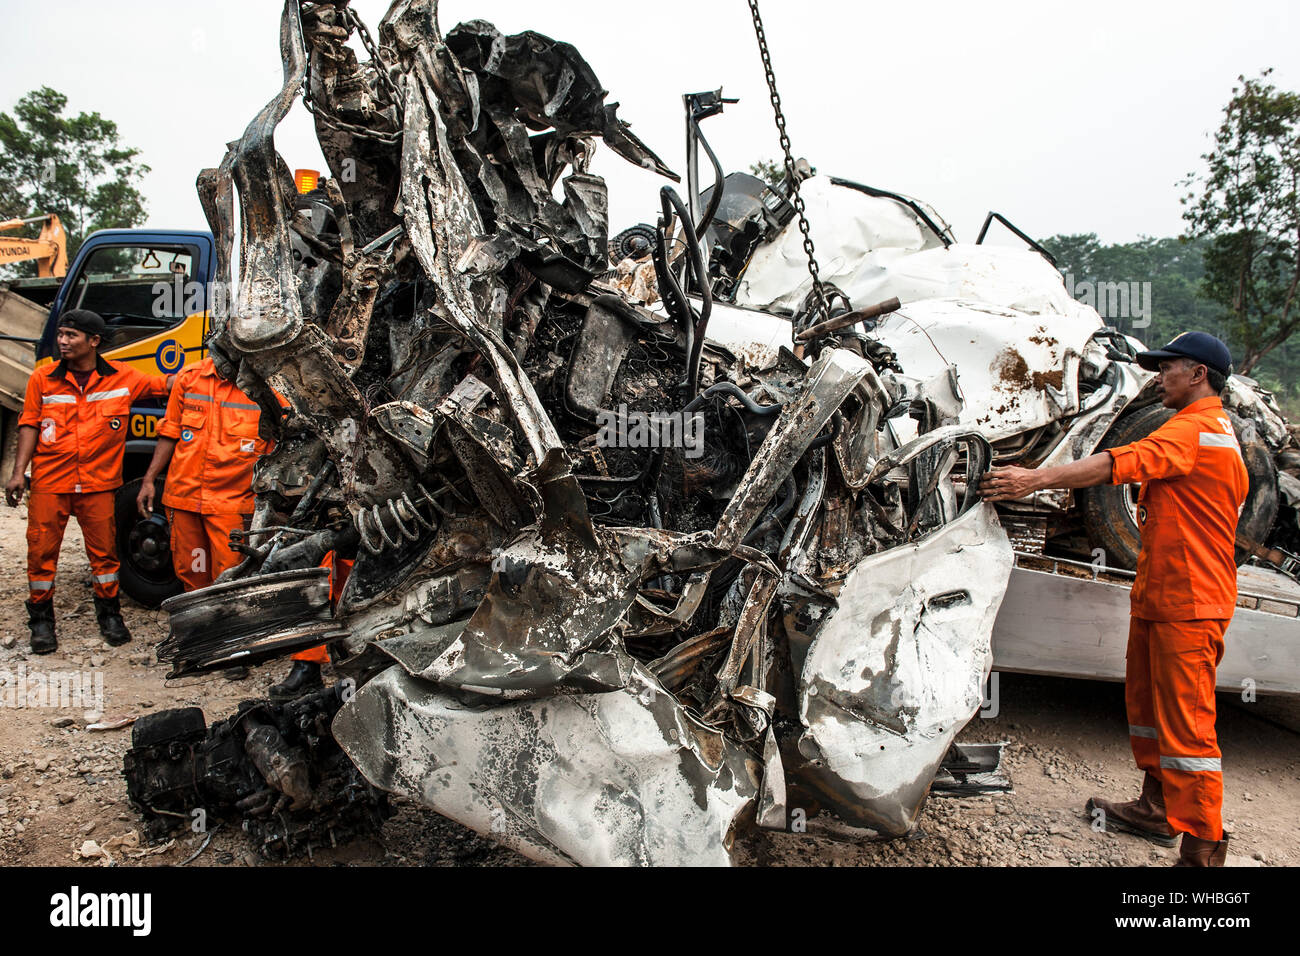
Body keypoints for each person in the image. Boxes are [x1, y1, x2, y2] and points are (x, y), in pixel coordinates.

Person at [981, 331, 1248, 867]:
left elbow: (1116, 464)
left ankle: (1203, 852)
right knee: (1150, 712)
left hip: (1190, 603)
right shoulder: (1205, 429)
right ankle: (1156, 810)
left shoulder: (1195, 429)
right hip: (1164, 594)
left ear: (1197, 374)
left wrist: (1036, 478)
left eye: (1166, 367)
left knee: (1187, 728)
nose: (1158, 377)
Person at [5, 309, 174, 653]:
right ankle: (41, 620)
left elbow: (170, 384)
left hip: (98, 485)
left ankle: (109, 615)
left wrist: (213, 365)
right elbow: (29, 424)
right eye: (62, 335)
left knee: (104, 556)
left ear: (94, 342)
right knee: (41, 554)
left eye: (71, 336)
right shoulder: (43, 378)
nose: (62, 341)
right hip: (50, 483)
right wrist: (17, 472)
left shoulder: (123, 378)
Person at [137, 355, 270, 593]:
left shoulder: (267, 386)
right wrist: (149, 480)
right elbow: (170, 432)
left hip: (231, 507)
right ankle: (198, 627)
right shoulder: (190, 378)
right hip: (184, 500)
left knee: (229, 580)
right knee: (193, 575)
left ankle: (226, 628)